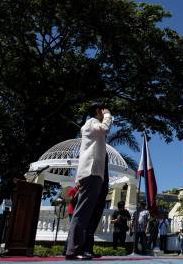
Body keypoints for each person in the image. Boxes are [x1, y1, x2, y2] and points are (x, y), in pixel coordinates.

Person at [65, 103, 113, 260]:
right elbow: (105, 128)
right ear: (97, 111)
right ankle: (73, 250)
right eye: (103, 111)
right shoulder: (92, 122)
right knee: (82, 213)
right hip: (91, 172)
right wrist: (108, 115)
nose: (104, 113)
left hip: (94, 173)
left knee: (85, 214)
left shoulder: (93, 125)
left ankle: (76, 249)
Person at [83, 152, 110, 258]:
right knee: (88, 222)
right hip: (94, 187)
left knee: (93, 222)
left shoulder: (104, 152)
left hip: (101, 189)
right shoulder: (93, 150)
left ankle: (88, 248)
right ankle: (84, 248)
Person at [62, 184, 79, 256]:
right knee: (72, 231)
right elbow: (71, 200)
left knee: (74, 231)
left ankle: (69, 249)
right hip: (72, 212)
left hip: (76, 212)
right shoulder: (73, 190)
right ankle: (66, 250)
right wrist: (78, 193)